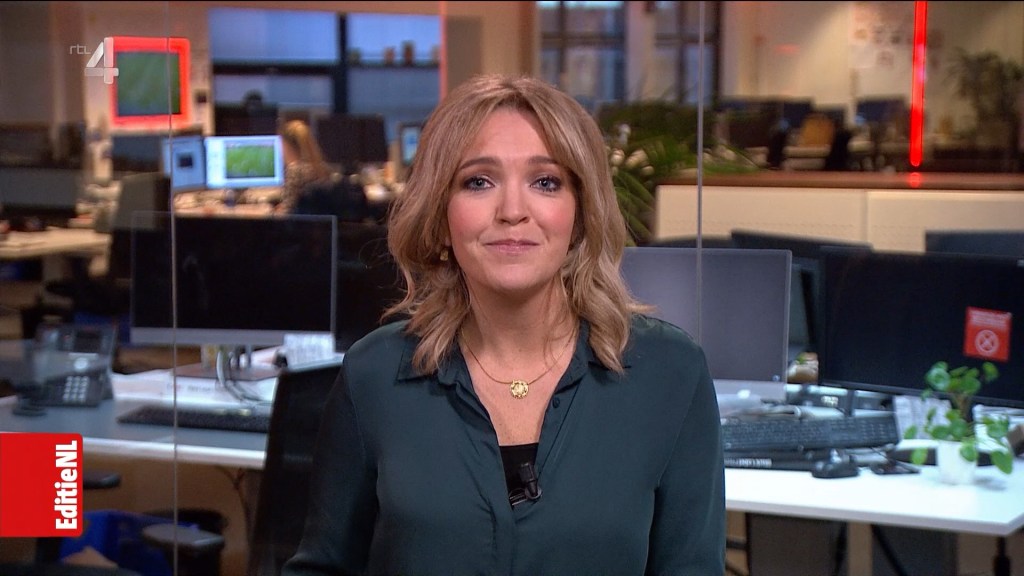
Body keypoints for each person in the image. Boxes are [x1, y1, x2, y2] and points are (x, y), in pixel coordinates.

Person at [281, 74, 725, 575]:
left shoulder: (671, 373)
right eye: (479, 182)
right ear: (440, 215)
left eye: (545, 182)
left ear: (580, 215)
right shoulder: (375, 375)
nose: (513, 211)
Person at [276, 119, 334, 213]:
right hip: (320, 220)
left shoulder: (294, 171)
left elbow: (287, 211)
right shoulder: (323, 168)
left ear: (287, 146)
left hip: (300, 221)